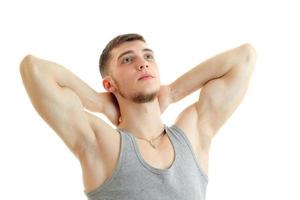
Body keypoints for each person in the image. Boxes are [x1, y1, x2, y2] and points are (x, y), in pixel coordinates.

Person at [19, 33, 256, 200]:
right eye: (127, 59)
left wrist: (172, 93)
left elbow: (244, 57)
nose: (142, 64)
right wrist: (97, 103)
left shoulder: (193, 135)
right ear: (109, 83)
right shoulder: (103, 145)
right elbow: (34, 69)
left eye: (148, 56)